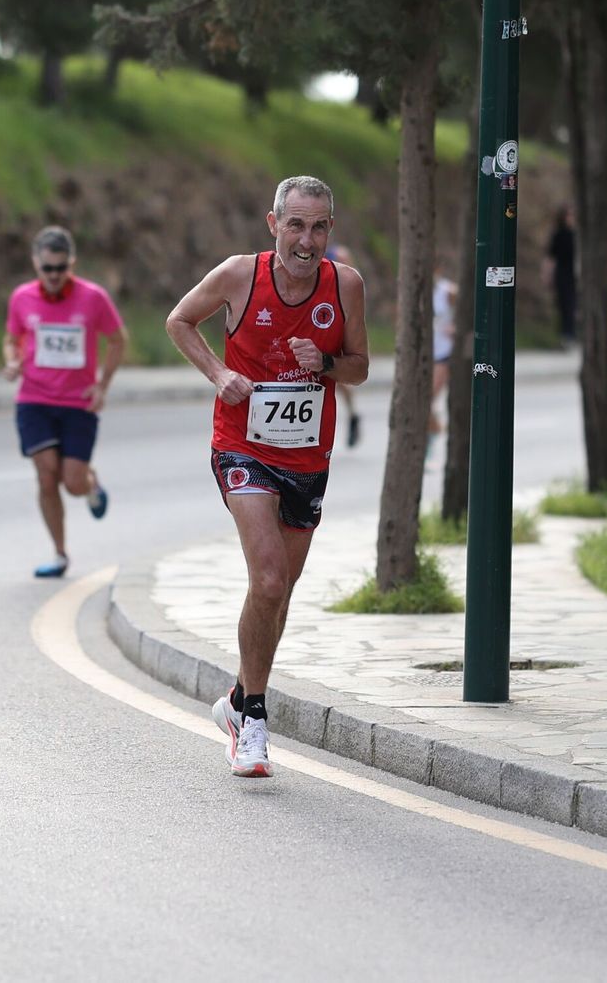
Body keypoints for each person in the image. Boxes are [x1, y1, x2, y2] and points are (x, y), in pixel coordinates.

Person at [166, 175, 369, 777]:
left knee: (276, 595)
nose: (307, 240)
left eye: (320, 226)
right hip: (242, 445)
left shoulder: (346, 284)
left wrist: (327, 363)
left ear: (330, 229)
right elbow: (180, 321)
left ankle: (234, 699)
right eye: (296, 225)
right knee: (271, 578)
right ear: (273, 223)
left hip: (307, 456)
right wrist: (217, 375)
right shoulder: (238, 275)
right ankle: (254, 719)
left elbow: (359, 367)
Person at [3, 225, 125, 579]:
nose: (54, 276)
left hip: (77, 403)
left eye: (60, 268)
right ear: (35, 264)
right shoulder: (22, 298)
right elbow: (12, 338)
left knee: (72, 483)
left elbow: (117, 340)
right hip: (34, 399)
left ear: (71, 263)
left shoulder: (93, 298)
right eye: (47, 269)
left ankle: (90, 482)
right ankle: (59, 554)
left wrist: (102, 385)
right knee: (45, 476)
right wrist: (12, 360)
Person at [325, 244, 364, 446]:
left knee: (336, 377)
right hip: (320, 324)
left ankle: (352, 416)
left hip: (338, 324)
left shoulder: (341, 259)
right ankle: (352, 416)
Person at [430, 269, 458, 439]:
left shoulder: (448, 291)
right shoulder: (417, 290)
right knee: (424, 403)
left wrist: (457, 327)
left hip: (444, 352)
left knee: (428, 400)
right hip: (427, 353)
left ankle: (432, 443)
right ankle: (435, 433)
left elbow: (469, 311)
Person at [544, 206, 578, 346]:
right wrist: (547, 274)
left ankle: (571, 333)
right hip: (562, 272)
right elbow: (550, 257)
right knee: (564, 303)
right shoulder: (558, 234)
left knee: (573, 304)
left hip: (573, 273)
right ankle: (565, 334)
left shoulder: (575, 234)